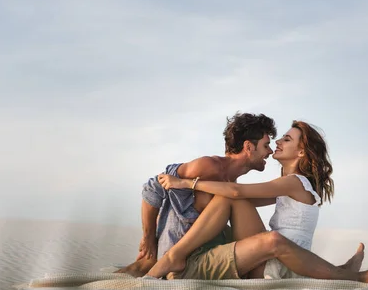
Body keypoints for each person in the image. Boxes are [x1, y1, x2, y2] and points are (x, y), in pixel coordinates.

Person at [148, 121, 368, 283]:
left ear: (300, 153)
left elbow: (236, 191)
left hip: (280, 263)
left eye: (286, 139)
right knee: (231, 200)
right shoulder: (287, 185)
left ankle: (358, 278)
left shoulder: (294, 182)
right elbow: (236, 197)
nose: (277, 143)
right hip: (272, 257)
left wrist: (187, 184)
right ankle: (344, 269)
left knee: (268, 234)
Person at [117, 112, 277, 277]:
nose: (270, 151)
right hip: (180, 255)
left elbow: (250, 198)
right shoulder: (209, 166)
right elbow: (153, 187)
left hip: (203, 253)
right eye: (266, 145)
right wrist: (149, 239)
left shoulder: (231, 183)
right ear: (249, 147)